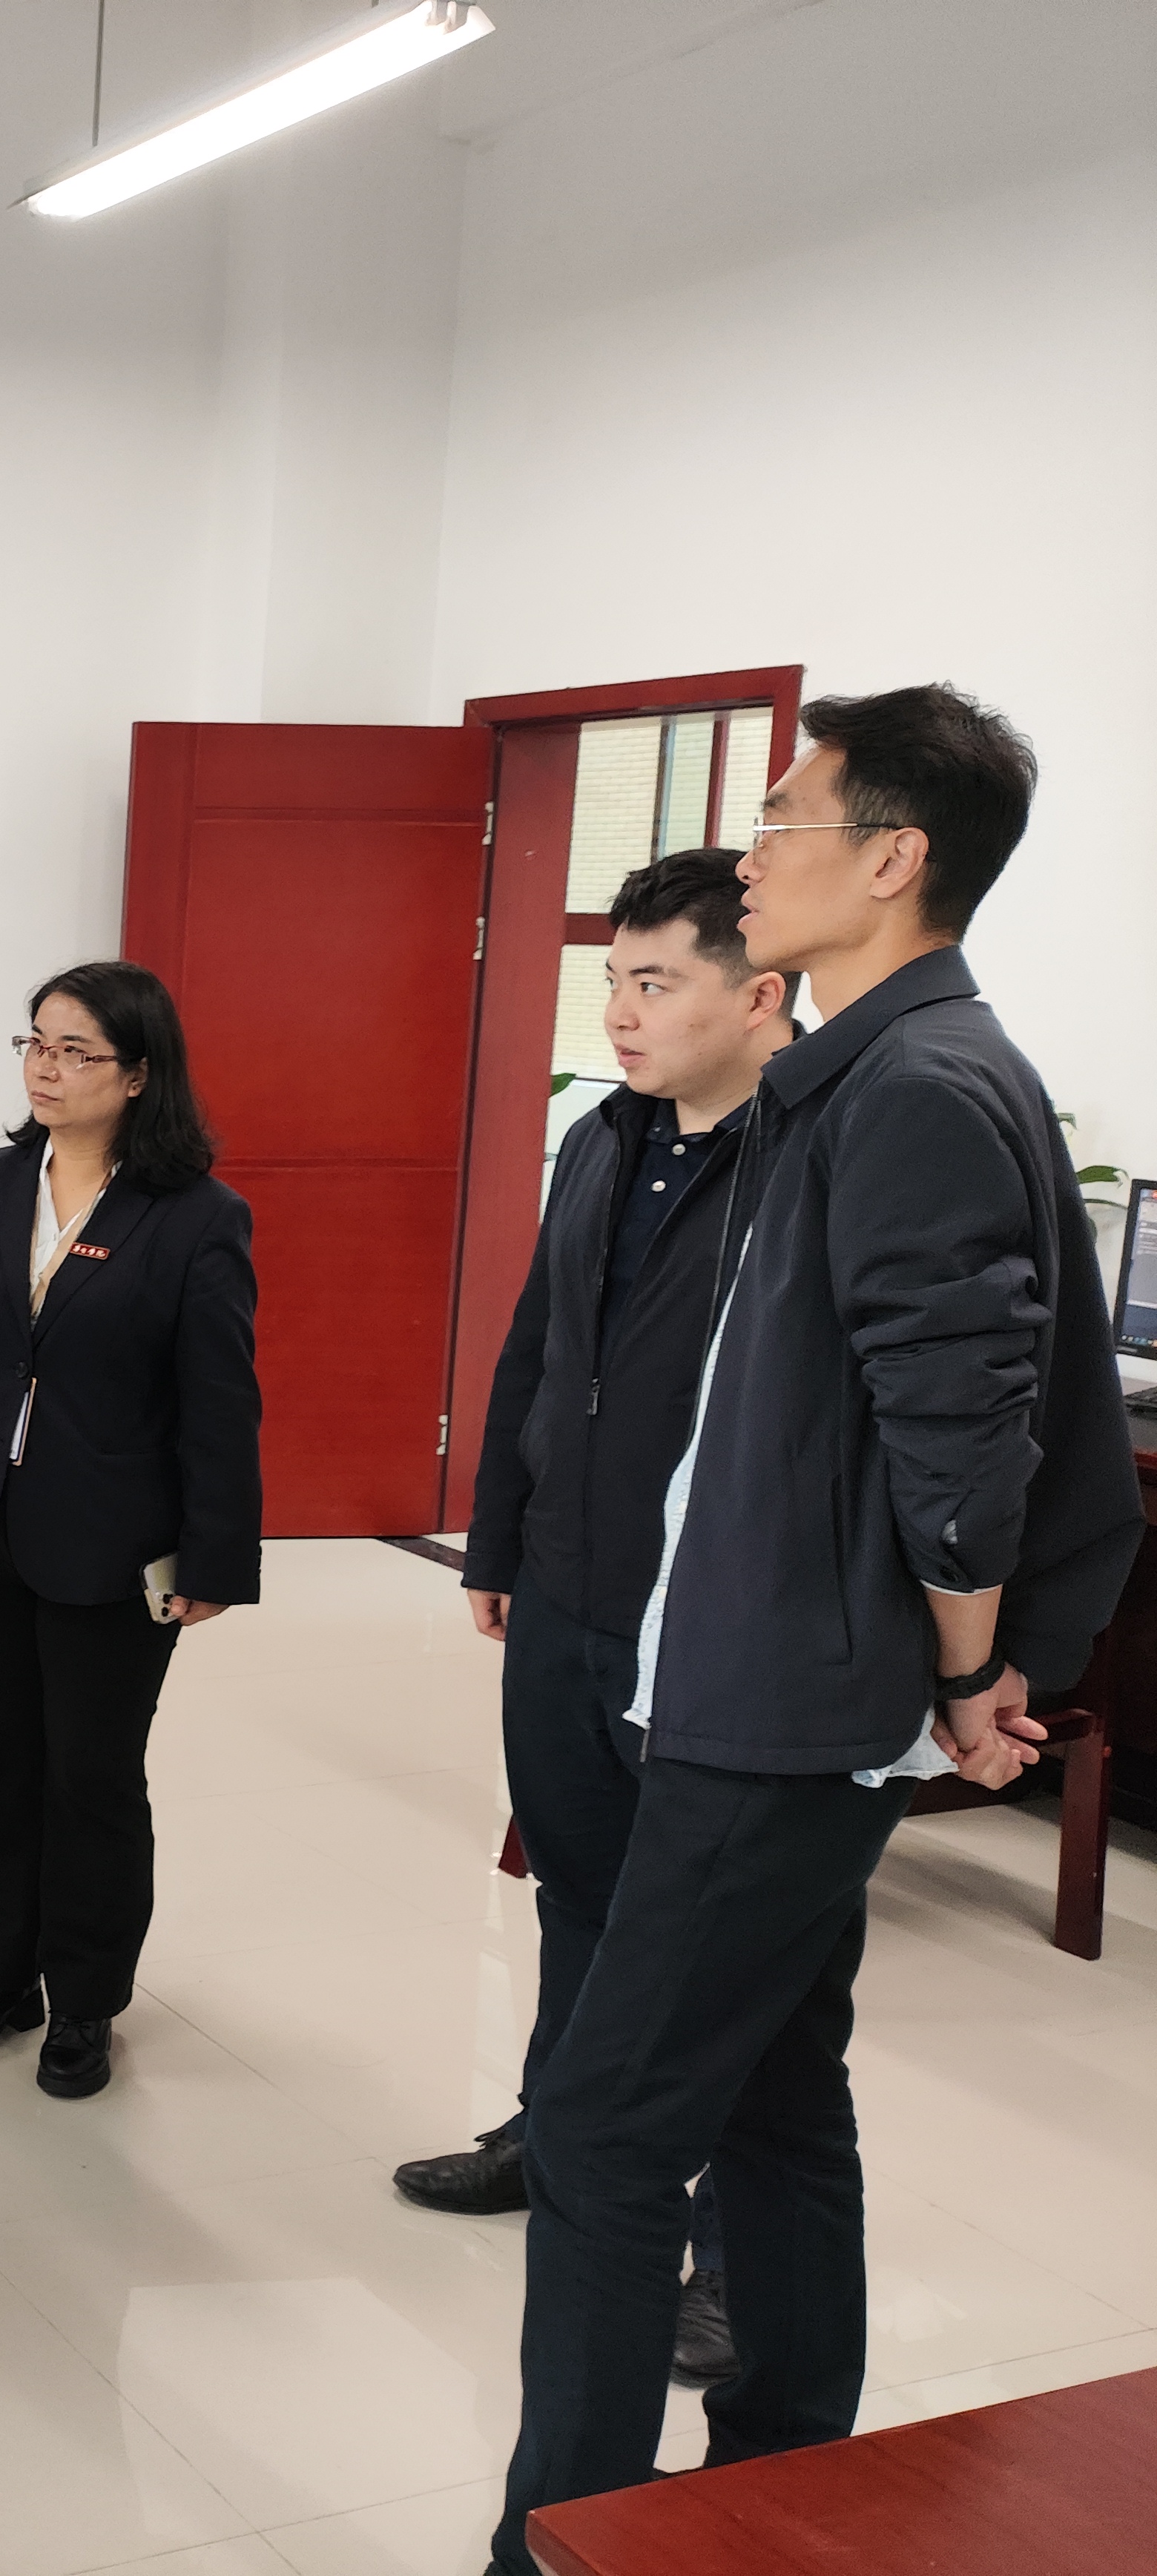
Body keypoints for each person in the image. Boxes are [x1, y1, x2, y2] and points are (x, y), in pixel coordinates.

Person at [488, 686, 1144, 2573]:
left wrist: (966, 1668)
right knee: (776, 2085)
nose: (755, 848)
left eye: (785, 817)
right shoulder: (848, 1077)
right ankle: (781, 2485)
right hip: (748, 1669)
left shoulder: (914, 1086)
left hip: (780, 1708)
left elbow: (961, 1438)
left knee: (605, 2130)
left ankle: (563, 2542)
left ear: (889, 860)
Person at [403, 850, 794, 2394]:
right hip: (565, 1588)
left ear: (758, 995)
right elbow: (536, 1345)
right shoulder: (599, 1137)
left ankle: (720, 2253)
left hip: (706, 1617)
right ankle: (551, 2132)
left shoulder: (803, 1164)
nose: (620, 1013)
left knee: (704, 1950)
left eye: (655, 982)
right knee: (575, 1889)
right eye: (612, 981)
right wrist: (496, 1537)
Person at [0, 960, 260, 2099]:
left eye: (75, 1050)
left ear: (137, 1076)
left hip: (116, 1542)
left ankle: (86, 2000)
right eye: (35, 1043)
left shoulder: (197, 1218)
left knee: (92, 1779)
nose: (45, 1067)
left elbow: (219, 1402)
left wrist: (216, 1555)